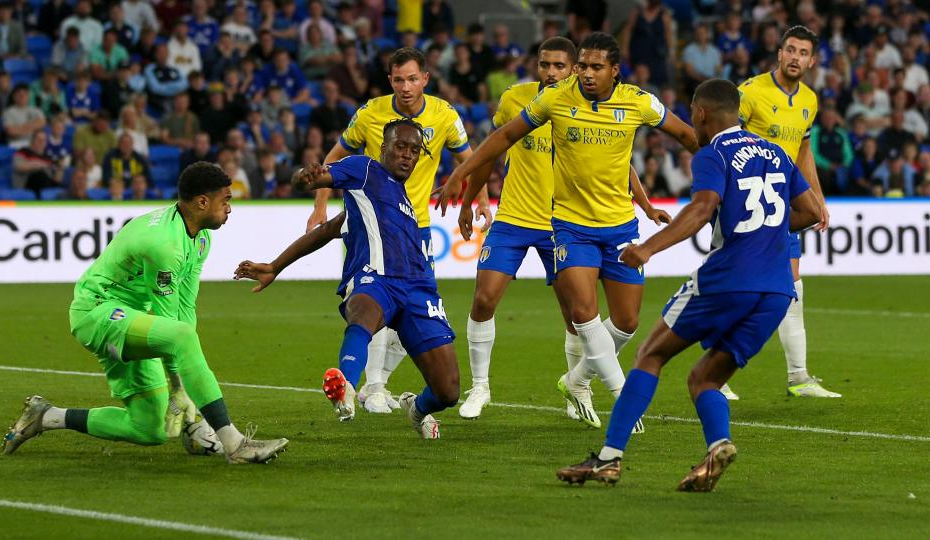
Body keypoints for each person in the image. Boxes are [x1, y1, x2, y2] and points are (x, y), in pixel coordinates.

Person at [555, 78, 822, 491]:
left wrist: (648, 248)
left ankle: (608, 459)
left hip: (728, 278)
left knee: (650, 354)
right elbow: (811, 212)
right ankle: (718, 445)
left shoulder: (712, 153)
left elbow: (701, 208)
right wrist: (764, 231)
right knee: (705, 378)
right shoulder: (775, 152)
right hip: (777, 290)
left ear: (700, 113)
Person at [438, 33, 699, 428]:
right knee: (577, 312)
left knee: (626, 322)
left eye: (594, 67)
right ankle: (616, 390)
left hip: (617, 226)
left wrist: (723, 165)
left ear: (615, 70)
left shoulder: (639, 102)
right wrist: (462, 174)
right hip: (564, 225)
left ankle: (576, 381)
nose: (585, 74)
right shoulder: (549, 99)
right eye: (582, 67)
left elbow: (677, 137)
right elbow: (504, 139)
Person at [2, 162, 289, 464]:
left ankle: (46, 416)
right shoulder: (163, 244)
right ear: (203, 202)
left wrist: (182, 392)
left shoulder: (201, 238)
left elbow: (184, 309)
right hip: (97, 313)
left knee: (148, 428)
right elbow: (172, 327)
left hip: (133, 319)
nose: (230, 208)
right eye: (226, 200)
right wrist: (179, 389)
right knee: (178, 338)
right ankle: (234, 443)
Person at [235, 120, 458, 438]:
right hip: (376, 279)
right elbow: (313, 179)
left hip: (420, 288)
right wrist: (304, 180)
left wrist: (275, 266)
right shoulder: (364, 169)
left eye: (414, 150)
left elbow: (330, 229)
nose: (408, 155)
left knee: (448, 392)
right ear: (384, 148)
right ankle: (346, 389)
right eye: (400, 147)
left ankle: (417, 409)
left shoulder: (403, 200)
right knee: (363, 311)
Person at [306, 47, 490, 414]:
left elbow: (472, 162)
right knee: (376, 304)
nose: (405, 87)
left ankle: (375, 385)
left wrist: (479, 199)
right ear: (390, 81)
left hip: (417, 227)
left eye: (412, 79)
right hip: (374, 224)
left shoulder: (445, 115)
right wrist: (321, 205)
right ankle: (371, 386)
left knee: (411, 312)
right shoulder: (371, 114)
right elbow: (333, 159)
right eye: (398, 80)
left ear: (425, 79)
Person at [735, 25, 840, 398]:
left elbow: (803, 152)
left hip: (783, 209)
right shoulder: (749, 93)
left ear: (812, 61)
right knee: (739, 292)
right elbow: (720, 140)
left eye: (802, 53)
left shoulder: (809, 100)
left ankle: (799, 377)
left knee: (792, 291)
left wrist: (817, 199)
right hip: (747, 207)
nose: (795, 58)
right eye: (790, 50)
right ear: (779, 53)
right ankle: (716, 375)